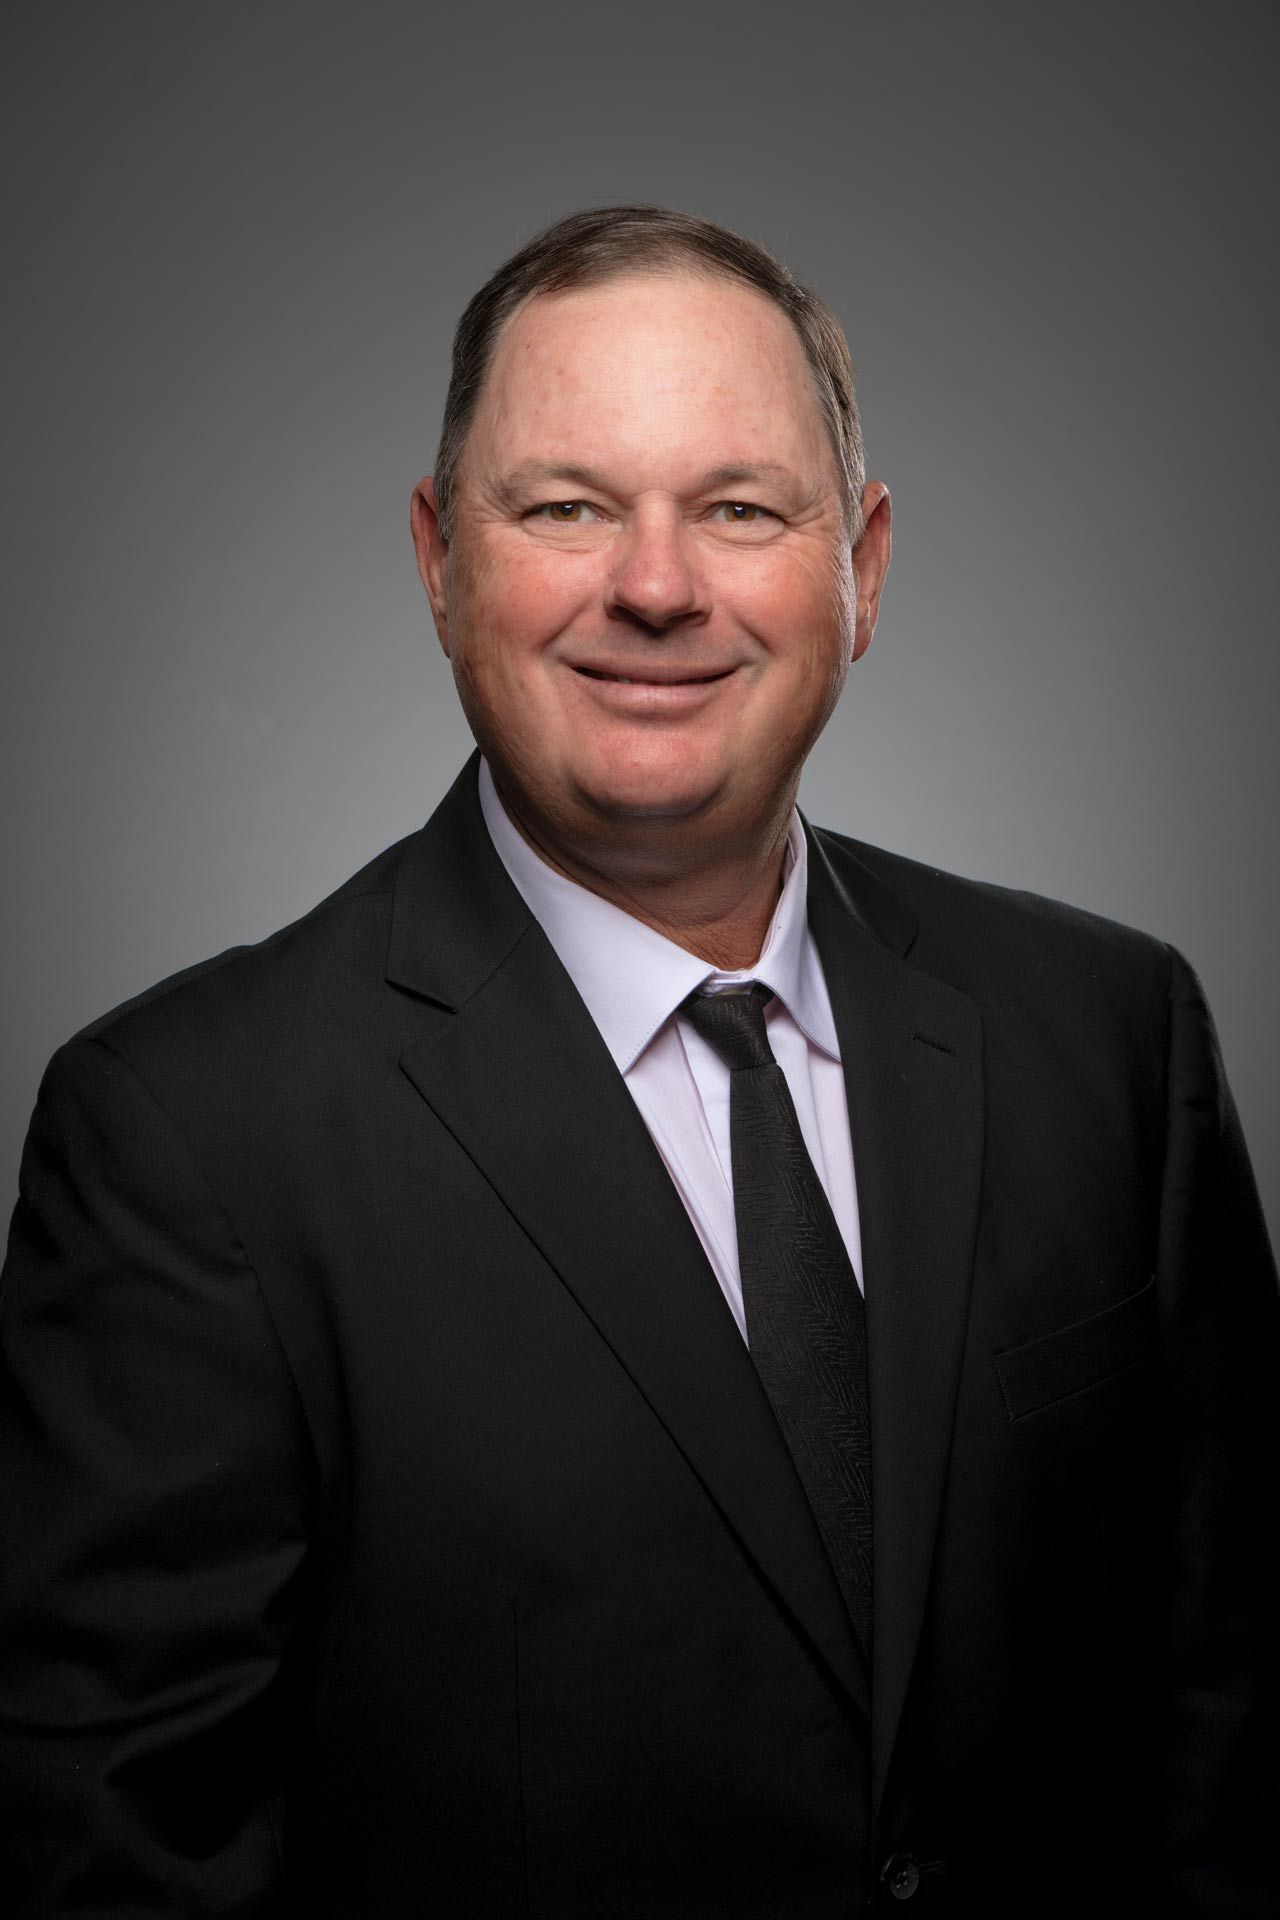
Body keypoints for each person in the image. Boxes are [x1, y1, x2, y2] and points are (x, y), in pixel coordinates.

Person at [1, 204, 1276, 1920]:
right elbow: (120, 1874)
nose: (656, 586)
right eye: (566, 508)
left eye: (740, 509)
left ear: (865, 569)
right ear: (440, 560)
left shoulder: (1113, 1039)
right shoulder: (189, 1138)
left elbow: (1234, 1742)